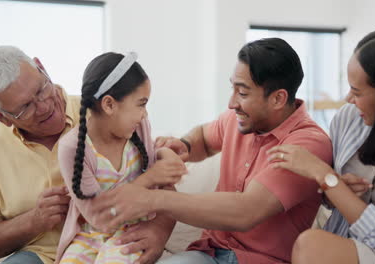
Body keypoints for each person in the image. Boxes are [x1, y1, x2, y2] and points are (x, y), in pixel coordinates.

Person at [81, 38, 333, 264]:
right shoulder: (239, 120)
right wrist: (185, 145)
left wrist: (152, 199)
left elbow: (246, 211)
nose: (231, 102)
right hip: (208, 252)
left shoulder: (308, 144)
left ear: (278, 99)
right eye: (233, 88)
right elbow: (203, 136)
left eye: (242, 92)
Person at [0, 46, 176, 264]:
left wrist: (159, 230)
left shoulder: (104, 112)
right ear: (2, 117)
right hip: (42, 255)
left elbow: (163, 181)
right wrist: (33, 221)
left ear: (42, 68)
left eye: (41, 89)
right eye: (25, 107)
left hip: (116, 237)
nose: (44, 107)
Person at [267, 24, 375, 264]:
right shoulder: (348, 119)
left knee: (310, 245)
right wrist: (331, 190)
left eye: (357, 91)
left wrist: (324, 175)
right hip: (346, 246)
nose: (348, 99)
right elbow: (330, 194)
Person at [56, 52, 186, 264]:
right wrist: (149, 178)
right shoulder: (72, 148)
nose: (145, 113)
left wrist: (166, 154)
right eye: (141, 104)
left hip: (133, 229)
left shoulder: (139, 127)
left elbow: (152, 160)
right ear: (109, 105)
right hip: (92, 234)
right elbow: (100, 218)